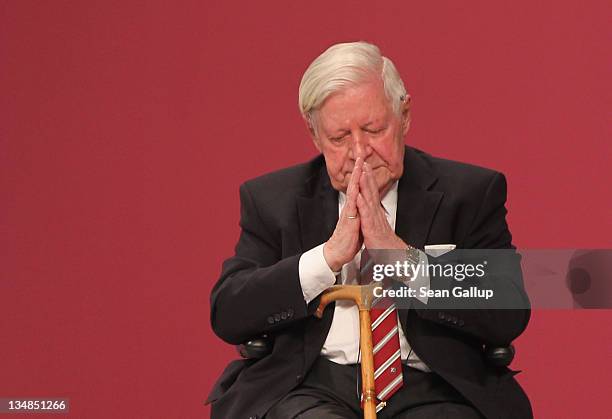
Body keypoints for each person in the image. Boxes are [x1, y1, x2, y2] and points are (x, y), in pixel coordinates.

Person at [206, 41, 532, 419]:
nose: (359, 152)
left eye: (374, 129)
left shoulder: (470, 193)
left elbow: (509, 308)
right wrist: (325, 259)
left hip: (435, 388)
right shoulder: (272, 199)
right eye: (340, 138)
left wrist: (400, 257)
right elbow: (229, 312)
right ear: (314, 135)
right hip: (309, 386)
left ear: (404, 115)